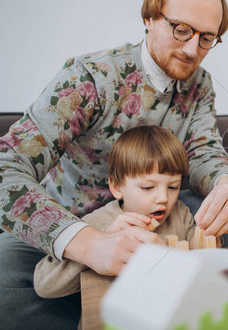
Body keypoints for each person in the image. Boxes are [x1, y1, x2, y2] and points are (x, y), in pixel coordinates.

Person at [0, 0, 228, 329]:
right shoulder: (89, 77)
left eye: (207, 38)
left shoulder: (200, 84)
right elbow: (4, 167)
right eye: (181, 30)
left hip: (153, 212)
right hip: (77, 219)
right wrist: (87, 244)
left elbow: (204, 150)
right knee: (3, 271)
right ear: (149, 17)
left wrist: (225, 183)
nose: (193, 49)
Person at [34, 125, 199, 298]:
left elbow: (197, 266)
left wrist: (210, 240)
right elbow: (44, 285)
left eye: (173, 187)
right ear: (117, 187)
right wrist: (97, 245)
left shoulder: (180, 214)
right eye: (148, 187)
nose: (163, 198)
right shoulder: (96, 225)